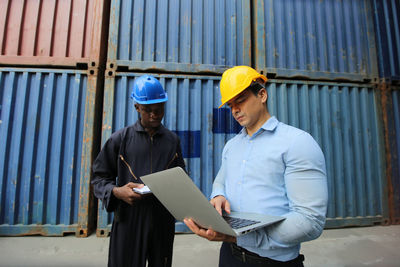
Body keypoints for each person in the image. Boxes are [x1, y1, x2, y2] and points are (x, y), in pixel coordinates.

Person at [184, 66, 328, 267]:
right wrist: (217, 195)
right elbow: (221, 179)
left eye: (240, 100)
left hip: (272, 262)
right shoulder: (232, 146)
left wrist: (238, 237)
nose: (234, 110)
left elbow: (310, 222)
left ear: (262, 95)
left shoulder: (297, 143)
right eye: (230, 105)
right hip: (229, 256)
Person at [92, 75, 186, 267]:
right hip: (129, 218)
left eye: (159, 109)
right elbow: (99, 178)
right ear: (137, 108)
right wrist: (117, 192)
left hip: (162, 220)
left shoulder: (172, 141)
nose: (154, 114)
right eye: (147, 110)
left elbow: (181, 178)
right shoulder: (120, 139)